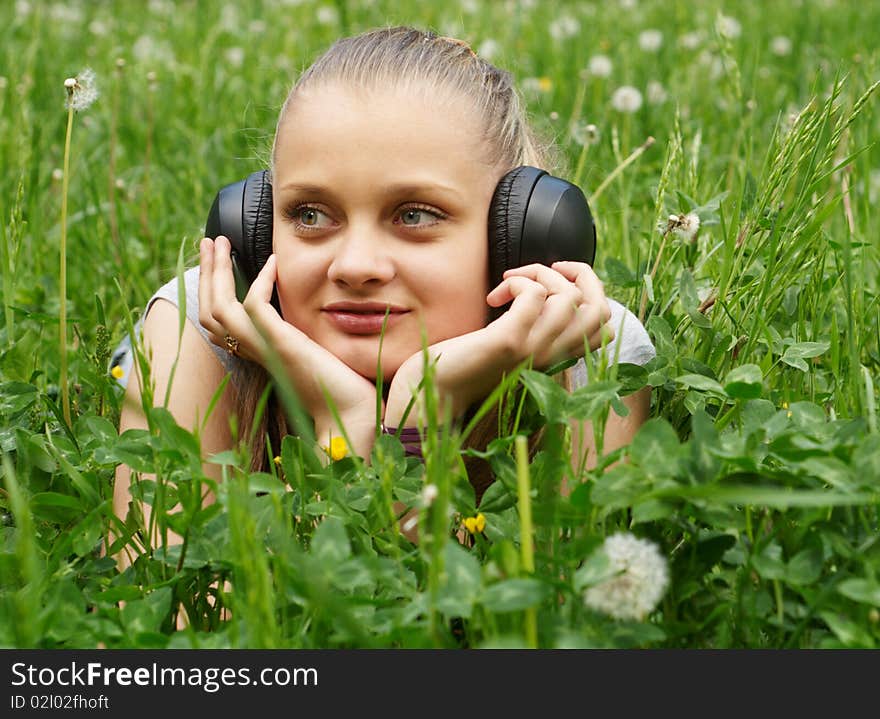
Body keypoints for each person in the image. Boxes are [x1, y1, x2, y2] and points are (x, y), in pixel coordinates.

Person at [111, 26, 655, 567]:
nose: (355, 267)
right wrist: (342, 423)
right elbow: (169, 630)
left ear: (520, 238)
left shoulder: (595, 356)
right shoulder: (200, 328)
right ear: (254, 227)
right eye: (310, 215)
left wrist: (419, 420)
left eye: (414, 215)